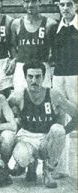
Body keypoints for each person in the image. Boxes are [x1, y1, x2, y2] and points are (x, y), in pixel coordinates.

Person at [8, 60, 77, 188]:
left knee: (58, 130)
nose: (34, 80)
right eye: (30, 76)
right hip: (26, 138)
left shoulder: (54, 94)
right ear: (25, 77)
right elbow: (2, 113)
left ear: (44, 77)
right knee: (22, 156)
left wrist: (61, 135)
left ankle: (47, 171)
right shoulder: (18, 96)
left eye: (38, 76)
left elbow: (76, 115)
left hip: (46, 138)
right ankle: (30, 167)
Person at [51, 0, 78, 178]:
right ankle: (59, 167)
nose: (65, 8)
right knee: (60, 121)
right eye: (62, 4)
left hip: (77, 77)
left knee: (77, 119)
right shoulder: (55, 28)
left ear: (76, 5)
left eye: (69, 4)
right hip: (59, 78)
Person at [10, 0, 57, 91]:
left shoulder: (50, 24)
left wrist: (50, 61)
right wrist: (16, 59)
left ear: (40, 2)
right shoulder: (16, 24)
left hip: (42, 67)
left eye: (34, 1)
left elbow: (55, 48)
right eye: (27, 1)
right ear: (23, 3)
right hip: (22, 67)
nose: (30, 5)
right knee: (21, 99)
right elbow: (13, 46)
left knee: (42, 100)